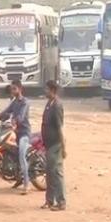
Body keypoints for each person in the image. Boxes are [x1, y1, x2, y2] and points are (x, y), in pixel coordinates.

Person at [0, 80, 31, 195]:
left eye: (14, 89)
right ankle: (17, 177)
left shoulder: (25, 102)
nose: (12, 91)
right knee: (8, 150)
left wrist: (15, 120)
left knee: (22, 156)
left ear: (20, 89)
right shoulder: (14, 102)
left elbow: (21, 117)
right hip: (15, 133)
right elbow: (5, 112)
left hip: (24, 134)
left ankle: (27, 184)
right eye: (11, 89)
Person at [41, 80, 66, 211]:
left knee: (56, 174)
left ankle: (61, 202)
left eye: (46, 89)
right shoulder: (49, 104)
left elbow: (60, 128)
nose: (45, 92)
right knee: (49, 174)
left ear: (53, 91)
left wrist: (64, 147)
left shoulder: (57, 105)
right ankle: (49, 201)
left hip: (55, 144)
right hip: (49, 144)